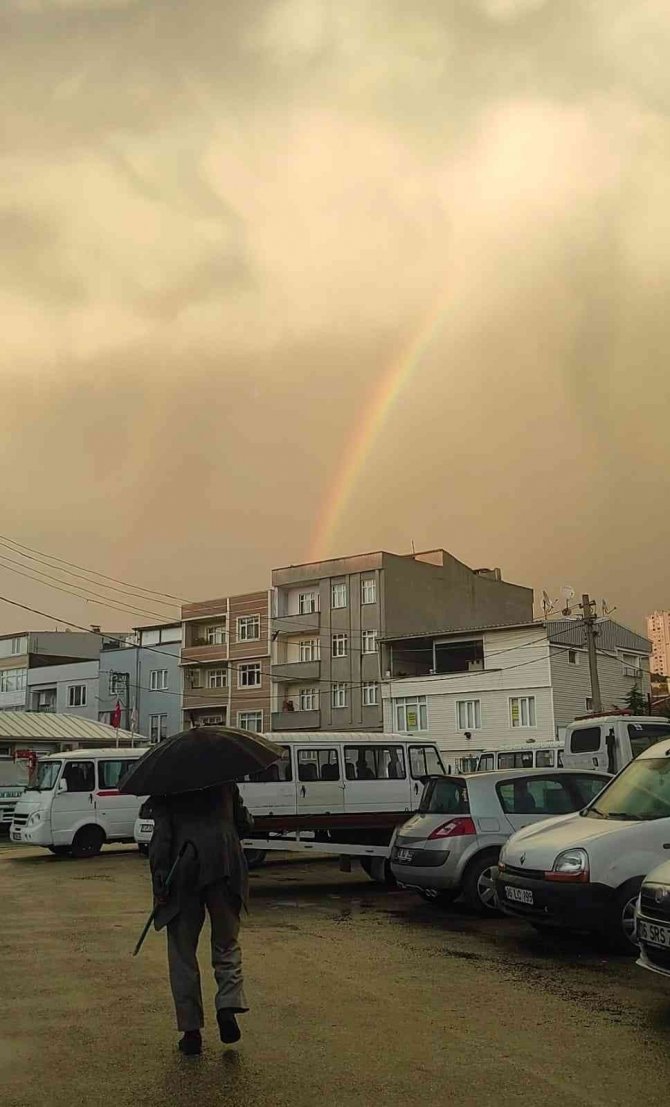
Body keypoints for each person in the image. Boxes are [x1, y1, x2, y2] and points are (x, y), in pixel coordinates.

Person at [148, 782, 254, 1056]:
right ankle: (228, 1004)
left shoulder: (168, 783)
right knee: (226, 942)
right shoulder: (223, 779)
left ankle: (191, 1030)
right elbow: (243, 823)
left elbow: (162, 837)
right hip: (224, 865)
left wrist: (160, 878)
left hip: (182, 868)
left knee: (182, 952)